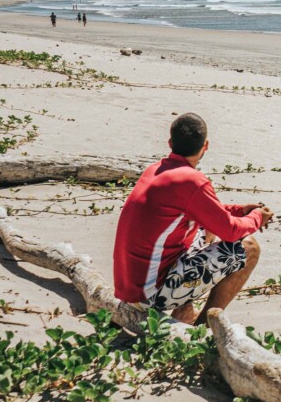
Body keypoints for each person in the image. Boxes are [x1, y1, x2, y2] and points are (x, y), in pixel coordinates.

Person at [112, 113, 271, 324]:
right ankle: (204, 328)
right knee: (249, 248)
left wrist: (240, 211)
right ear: (206, 146)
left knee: (206, 230)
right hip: (150, 294)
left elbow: (201, 212)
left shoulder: (156, 169)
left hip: (129, 285)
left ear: (170, 143)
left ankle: (183, 311)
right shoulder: (192, 180)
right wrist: (257, 217)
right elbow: (231, 231)